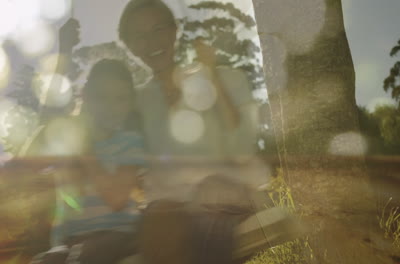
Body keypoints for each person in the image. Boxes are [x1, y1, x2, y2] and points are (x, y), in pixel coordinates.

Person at [118, 1, 271, 263]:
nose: (151, 41)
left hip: (225, 196)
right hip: (169, 209)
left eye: (158, 29)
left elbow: (243, 148)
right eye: (139, 36)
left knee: (208, 200)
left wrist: (212, 76)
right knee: (162, 218)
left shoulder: (225, 77)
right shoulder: (137, 103)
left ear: (175, 30)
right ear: (131, 47)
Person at [30, 21, 147, 263]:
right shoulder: (71, 137)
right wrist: (64, 52)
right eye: (101, 97)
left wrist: (87, 153)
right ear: (86, 97)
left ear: (130, 104)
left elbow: (116, 199)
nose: (110, 107)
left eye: (120, 99)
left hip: (116, 235)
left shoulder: (129, 143)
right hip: (69, 240)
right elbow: (48, 119)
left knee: (89, 255)